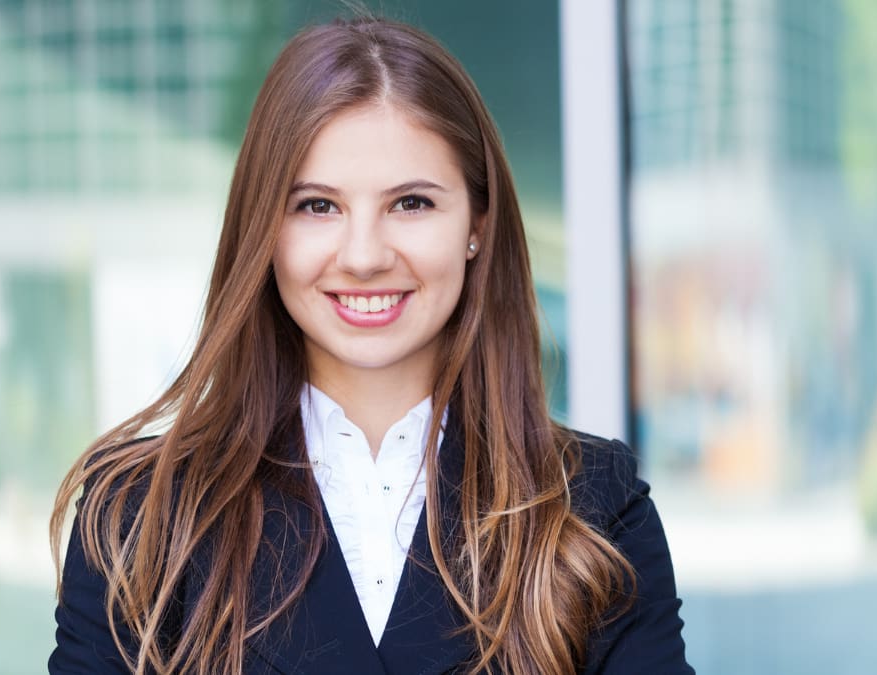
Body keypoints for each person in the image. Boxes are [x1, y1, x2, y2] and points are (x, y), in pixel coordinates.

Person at [48, 15, 692, 675]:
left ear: (477, 225)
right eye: (317, 206)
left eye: (411, 203)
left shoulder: (592, 508)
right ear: (263, 229)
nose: (362, 256)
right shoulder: (138, 513)